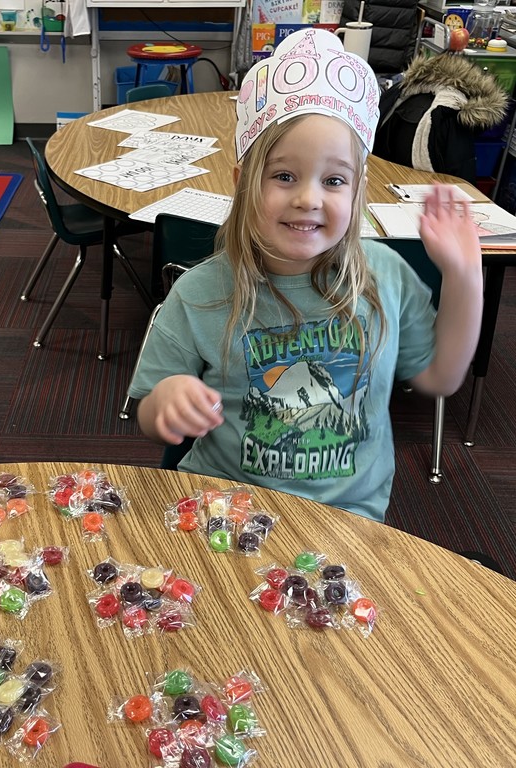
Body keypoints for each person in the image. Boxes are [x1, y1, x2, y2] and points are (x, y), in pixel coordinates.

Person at [128, 28, 483, 522]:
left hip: (348, 518)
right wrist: (164, 401)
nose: (309, 199)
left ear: (358, 191)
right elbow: (146, 411)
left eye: (334, 180)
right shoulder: (201, 293)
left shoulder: (386, 277)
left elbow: (441, 378)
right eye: (283, 176)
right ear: (243, 183)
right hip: (224, 508)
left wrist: (466, 277)